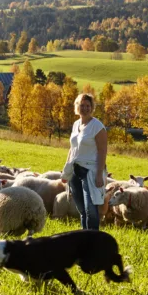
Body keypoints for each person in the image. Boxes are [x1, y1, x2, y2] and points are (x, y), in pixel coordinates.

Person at [63, 93, 108, 230]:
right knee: (82, 210)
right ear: (77, 107)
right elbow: (72, 149)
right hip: (75, 171)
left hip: (90, 171)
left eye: (88, 106)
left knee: (91, 210)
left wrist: (99, 174)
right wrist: (66, 171)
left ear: (92, 107)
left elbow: (102, 151)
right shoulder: (76, 124)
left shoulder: (97, 126)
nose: (85, 108)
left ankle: (93, 239)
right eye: (82, 105)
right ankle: (84, 237)